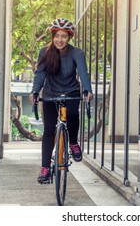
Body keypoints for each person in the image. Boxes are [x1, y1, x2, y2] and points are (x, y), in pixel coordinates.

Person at [30, 18, 93, 184]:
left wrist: (87, 90)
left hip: (71, 91)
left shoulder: (76, 53)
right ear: (52, 36)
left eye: (64, 36)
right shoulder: (44, 52)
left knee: (72, 114)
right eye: (57, 36)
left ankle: (72, 142)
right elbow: (40, 74)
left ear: (69, 37)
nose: (60, 40)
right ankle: (45, 168)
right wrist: (35, 91)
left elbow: (83, 73)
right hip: (51, 93)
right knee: (49, 130)